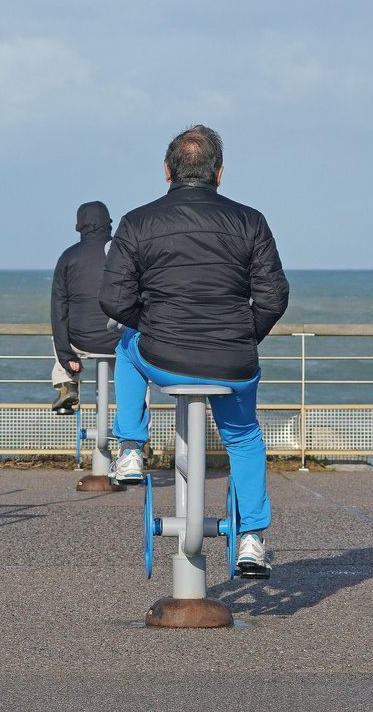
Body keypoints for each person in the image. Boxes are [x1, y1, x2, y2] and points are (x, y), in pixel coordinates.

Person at [99, 125, 288, 579]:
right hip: (232, 360)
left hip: (162, 356)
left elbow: (113, 299)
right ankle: (251, 539)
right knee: (243, 437)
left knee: (125, 345)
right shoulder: (251, 221)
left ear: (167, 171)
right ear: (219, 173)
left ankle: (130, 449)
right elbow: (273, 297)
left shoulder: (138, 222)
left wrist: (156, 326)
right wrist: (244, 334)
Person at [49, 201, 118, 414]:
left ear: (79, 226)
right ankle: (140, 438)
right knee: (135, 376)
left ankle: (68, 383)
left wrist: (66, 356)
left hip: (82, 340)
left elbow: (58, 309)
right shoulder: (125, 252)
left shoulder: (68, 257)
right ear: (109, 224)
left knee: (59, 337)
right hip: (118, 340)